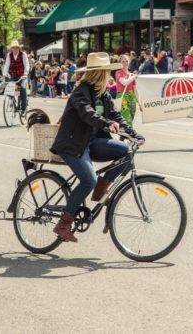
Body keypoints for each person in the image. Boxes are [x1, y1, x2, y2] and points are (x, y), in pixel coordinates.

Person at [50, 52, 144, 243]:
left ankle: (102, 186)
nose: (109, 76)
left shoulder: (103, 93)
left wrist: (134, 134)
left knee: (126, 153)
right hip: (73, 144)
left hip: (91, 142)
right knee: (88, 180)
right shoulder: (80, 91)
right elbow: (87, 113)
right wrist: (105, 123)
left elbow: (117, 116)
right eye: (106, 73)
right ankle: (63, 223)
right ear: (99, 73)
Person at [2, 40, 30, 113]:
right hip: (13, 75)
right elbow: (7, 65)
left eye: (16, 48)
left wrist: (25, 73)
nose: (15, 49)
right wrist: (4, 73)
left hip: (22, 76)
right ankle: (14, 104)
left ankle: (23, 108)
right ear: (11, 48)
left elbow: (26, 64)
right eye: (13, 48)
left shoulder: (23, 54)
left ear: (19, 48)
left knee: (22, 90)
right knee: (13, 90)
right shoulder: (9, 55)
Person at [115, 54, 138, 124]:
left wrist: (139, 103)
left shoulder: (131, 75)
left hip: (132, 97)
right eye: (123, 61)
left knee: (131, 117)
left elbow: (135, 89)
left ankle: (125, 133)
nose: (125, 63)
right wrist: (134, 76)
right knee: (127, 119)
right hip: (122, 96)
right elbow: (124, 83)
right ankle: (129, 133)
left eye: (126, 61)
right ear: (120, 63)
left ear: (129, 62)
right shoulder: (118, 73)